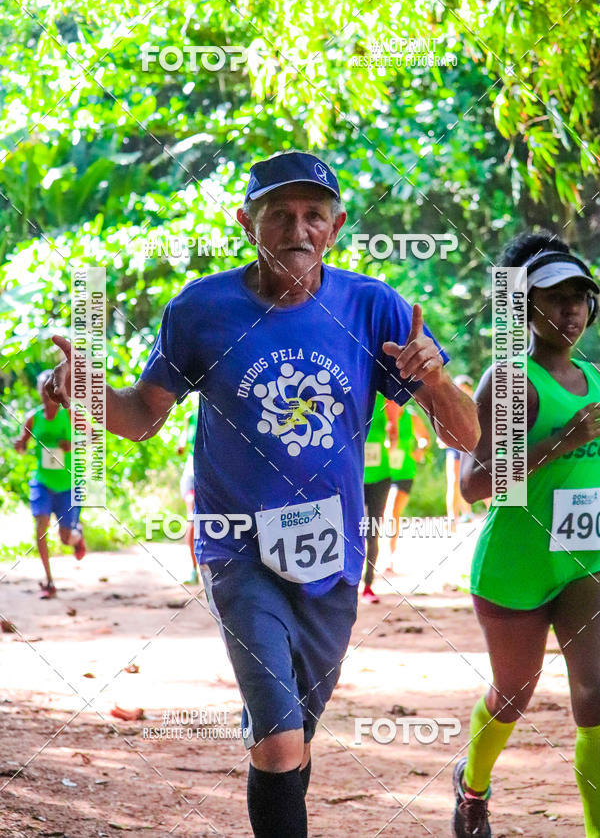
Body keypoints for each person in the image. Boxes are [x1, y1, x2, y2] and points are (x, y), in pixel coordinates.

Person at [44, 151, 479, 838]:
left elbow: (469, 434)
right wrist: (86, 395)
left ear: (334, 229)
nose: (297, 229)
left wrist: (435, 381)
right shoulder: (201, 309)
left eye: (313, 215)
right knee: (279, 742)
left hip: (332, 554)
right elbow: (141, 417)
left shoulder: (374, 308)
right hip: (235, 547)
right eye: (280, 214)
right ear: (247, 223)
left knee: (296, 732)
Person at [454, 231, 600, 838]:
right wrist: (561, 442)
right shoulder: (511, 379)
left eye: (580, 297)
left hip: (584, 560)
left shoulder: (595, 377)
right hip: (516, 563)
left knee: (596, 698)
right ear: (526, 308)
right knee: (514, 696)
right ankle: (472, 785)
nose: (569, 310)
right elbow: (474, 483)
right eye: (552, 297)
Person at [14, 369, 85, 599]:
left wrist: (71, 445)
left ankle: (77, 536)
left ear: (59, 391)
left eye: (51, 391)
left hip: (67, 485)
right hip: (42, 482)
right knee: (41, 526)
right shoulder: (33, 418)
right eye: (44, 392)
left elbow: (92, 438)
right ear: (40, 393)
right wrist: (19, 445)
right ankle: (49, 581)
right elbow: (22, 445)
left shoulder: (70, 415)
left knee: (65, 538)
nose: (47, 396)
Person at [385, 398, 431, 570]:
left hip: (404, 473)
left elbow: (425, 438)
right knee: (382, 515)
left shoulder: (410, 417)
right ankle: (381, 553)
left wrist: (421, 448)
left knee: (392, 511)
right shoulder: (379, 418)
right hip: (383, 473)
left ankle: (390, 557)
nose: (393, 403)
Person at [362, 392, 392, 603]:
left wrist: (393, 431)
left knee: (372, 531)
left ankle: (368, 585)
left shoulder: (385, 398)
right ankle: (344, 584)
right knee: (348, 529)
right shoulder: (348, 388)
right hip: (354, 475)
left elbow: (395, 432)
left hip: (380, 476)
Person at [439, 375, 475, 532]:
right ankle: (452, 518)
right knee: (453, 482)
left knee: (473, 480)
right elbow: (440, 434)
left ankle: (487, 514)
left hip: (472, 449)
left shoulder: (476, 405)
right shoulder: (448, 406)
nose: (462, 391)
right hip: (453, 449)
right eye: (459, 387)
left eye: (465, 388)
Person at [177, 403, 199, 584]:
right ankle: (193, 569)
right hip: (192, 473)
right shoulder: (191, 416)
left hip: (209, 475)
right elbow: (181, 445)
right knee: (192, 517)